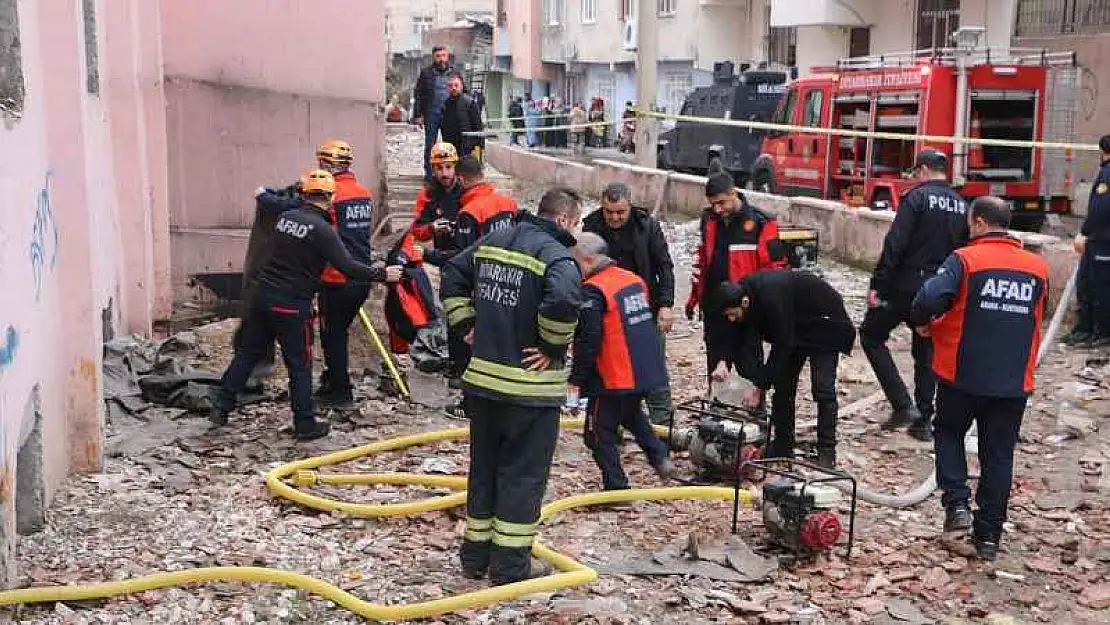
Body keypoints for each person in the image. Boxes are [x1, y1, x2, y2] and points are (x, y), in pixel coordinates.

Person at [441, 187, 583, 585]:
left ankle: (475, 557)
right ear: (564, 220)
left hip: (483, 385)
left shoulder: (494, 240)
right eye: (574, 222)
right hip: (529, 391)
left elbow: (452, 272)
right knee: (522, 476)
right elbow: (566, 300)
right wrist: (552, 347)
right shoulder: (555, 256)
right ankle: (509, 566)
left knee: (483, 470)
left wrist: (466, 325)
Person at [210, 170, 402, 440]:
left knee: (247, 354)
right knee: (300, 365)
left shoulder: (286, 219)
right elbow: (346, 266)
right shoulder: (323, 230)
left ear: (304, 194)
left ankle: (220, 408)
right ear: (331, 198)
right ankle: (305, 423)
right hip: (291, 306)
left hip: (262, 298)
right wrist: (382, 274)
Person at [910, 196, 1048, 560]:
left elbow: (926, 299)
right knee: (999, 455)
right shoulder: (1038, 268)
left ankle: (957, 505)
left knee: (949, 432)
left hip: (962, 374)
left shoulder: (965, 260)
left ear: (982, 223)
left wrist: (926, 326)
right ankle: (988, 537)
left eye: (972, 223)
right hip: (1013, 381)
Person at [861, 149, 969, 442]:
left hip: (904, 285)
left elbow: (895, 243)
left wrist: (879, 284)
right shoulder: (961, 205)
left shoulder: (916, 198)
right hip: (938, 289)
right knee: (926, 350)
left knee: (871, 335)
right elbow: (963, 251)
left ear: (921, 170)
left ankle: (902, 404)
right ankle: (925, 419)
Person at [568, 232, 676, 490]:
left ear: (589, 259)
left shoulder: (593, 291)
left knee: (596, 433)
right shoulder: (632, 279)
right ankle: (660, 457)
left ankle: (616, 487)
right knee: (630, 414)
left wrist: (576, 380)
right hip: (644, 371)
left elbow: (589, 339)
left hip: (615, 374)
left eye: (575, 263)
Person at [718, 271, 855, 468]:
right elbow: (737, 332)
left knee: (823, 388)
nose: (731, 319)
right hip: (796, 328)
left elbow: (782, 344)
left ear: (745, 302)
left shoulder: (770, 298)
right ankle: (783, 446)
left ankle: (827, 451)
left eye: (733, 313)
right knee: (783, 388)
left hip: (826, 323)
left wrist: (759, 386)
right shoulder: (744, 294)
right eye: (727, 315)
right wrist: (724, 361)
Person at [583, 182, 676, 426]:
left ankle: (662, 427)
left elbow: (664, 266)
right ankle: (611, 427)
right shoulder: (591, 227)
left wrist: (666, 304)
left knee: (651, 369)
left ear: (629, 206)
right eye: (609, 212)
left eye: (620, 212)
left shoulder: (647, 226)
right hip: (606, 311)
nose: (615, 218)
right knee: (608, 372)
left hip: (643, 309)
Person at [685, 171, 786, 391]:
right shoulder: (709, 219)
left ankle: (753, 410)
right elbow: (703, 260)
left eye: (721, 203)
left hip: (745, 307)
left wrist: (767, 307)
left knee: (748, 362)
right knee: (715, 360)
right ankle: (717, 410)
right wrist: (695, 297)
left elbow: (775, 269)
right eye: (713, 205)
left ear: (733, 193)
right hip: (714, 303)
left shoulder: (761, 223)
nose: (718, 209)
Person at [312, 140, 377, 409]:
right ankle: (333, 378)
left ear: (328, 164)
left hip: (337, 278)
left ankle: (340, 392)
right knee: (339, 332)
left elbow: (324, 235)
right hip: (362, 275)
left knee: (333, 335)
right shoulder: (363, 193)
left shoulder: (331, 196)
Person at [445, 155, 520, 384]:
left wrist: (427, 255)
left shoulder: (470, 211)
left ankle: (462, 372)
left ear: (460, 179)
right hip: (509, 274)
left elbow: (462, 257)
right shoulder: (507, 203)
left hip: (481, 280)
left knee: (462, 322)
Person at [1069, 134, 1110, 347]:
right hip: (1101, 238)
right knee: (1088, 283)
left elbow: (1101, 207)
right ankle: (1086, 329)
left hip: (1102, 239)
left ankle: (1099, 332)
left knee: (1097, 286)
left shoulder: (1107, 173)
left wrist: (1084, 232)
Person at [411, 142, 464, 268]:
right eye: (439, 168)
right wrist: (431, 228)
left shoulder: (466, 191)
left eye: (448, 167)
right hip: (443, 257)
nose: (444, 173)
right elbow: (417, 229)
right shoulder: (428, 196)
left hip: (467, 254)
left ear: (455, 167)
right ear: (433, 169)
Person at [414, 45, 455, 180]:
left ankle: (450, 173)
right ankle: (429, 174)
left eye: (443, 55)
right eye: (438, 56)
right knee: (430, 144)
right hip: (432, 113)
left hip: (449, 114)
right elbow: (419, 94)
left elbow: (462, 91)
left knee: (450, 144)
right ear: (433, 58)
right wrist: (418, 115)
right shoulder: (426, 73)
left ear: (447, 56)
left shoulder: (454, 73)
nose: (441, 59)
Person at [439, 72, 485, 162]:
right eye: (450, 85)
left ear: (461, 86)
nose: (454, 88)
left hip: (468, 147)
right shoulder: (445, 104)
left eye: (456, 85)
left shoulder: (470, 103)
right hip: (451, 146)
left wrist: (480, 147)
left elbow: (478, 126)